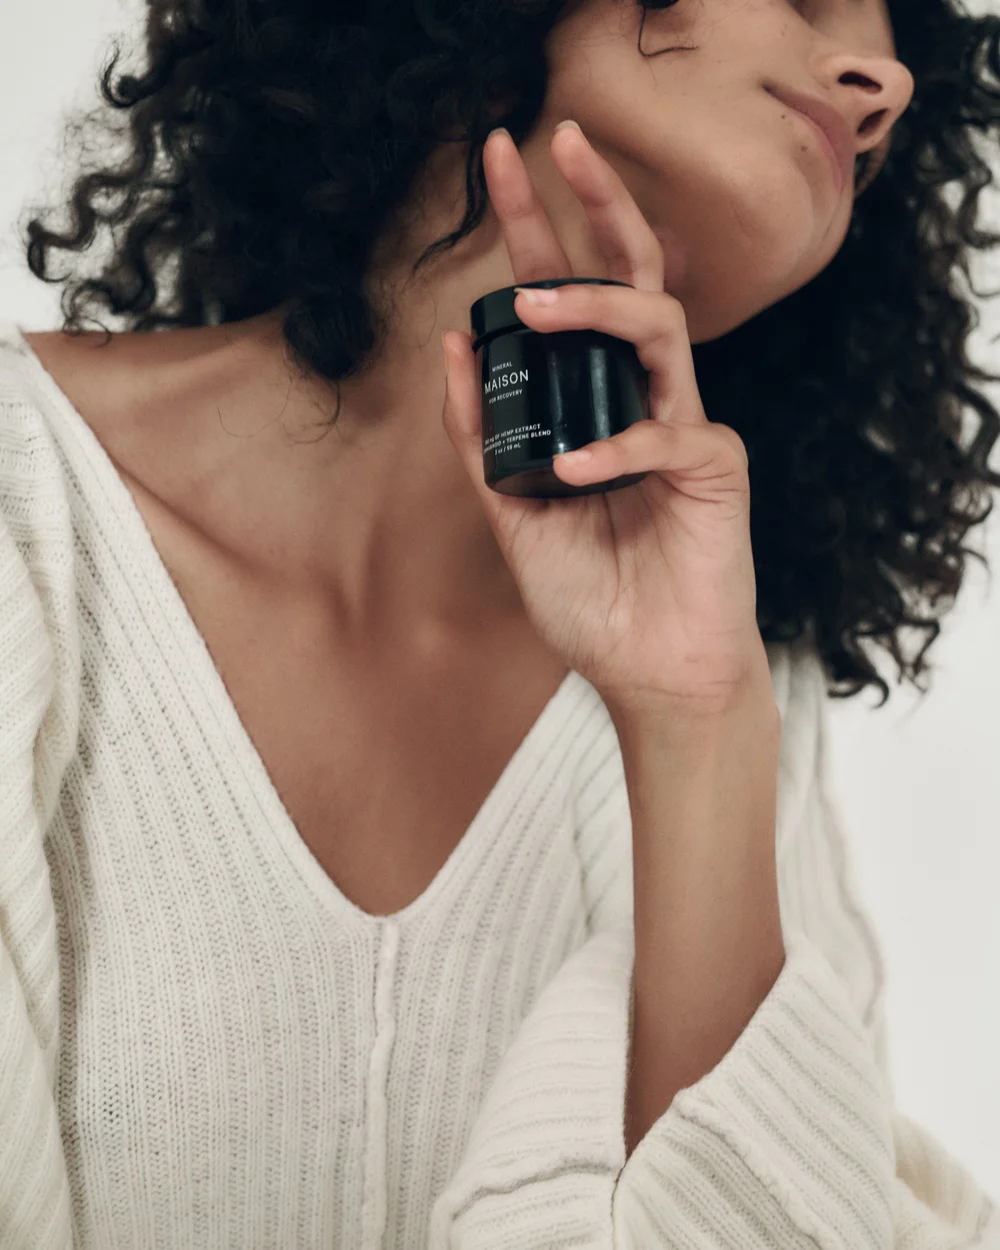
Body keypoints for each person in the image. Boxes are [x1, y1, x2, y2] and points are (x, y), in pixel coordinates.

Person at [1, 0, 999, 1243]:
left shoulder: (734, 689)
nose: (881, 80)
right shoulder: (27, 523)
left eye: (896, 60)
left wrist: (694, 724)